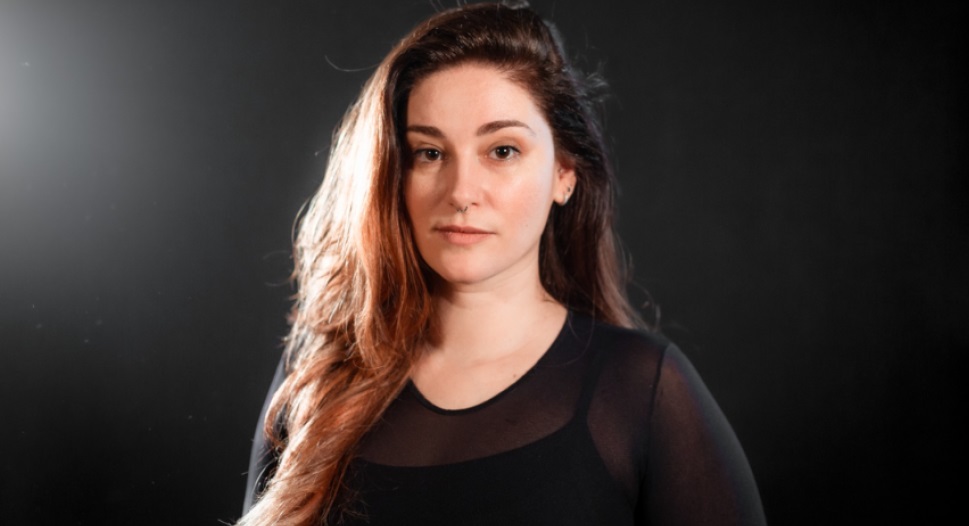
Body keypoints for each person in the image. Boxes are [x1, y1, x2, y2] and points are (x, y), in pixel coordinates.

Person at [239, 2, 766, 525]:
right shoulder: (317, 378)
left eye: (502, 151)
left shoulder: (641, 390)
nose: (461, 192)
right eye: (429, 153)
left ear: (564, 173)